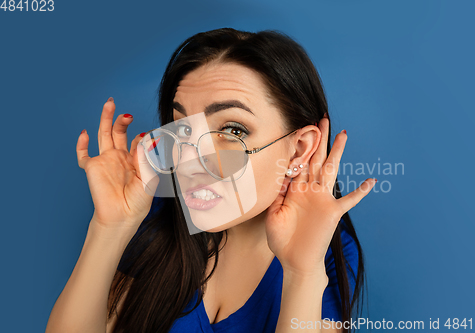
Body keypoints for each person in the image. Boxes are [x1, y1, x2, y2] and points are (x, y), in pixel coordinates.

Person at [46, 28, 376, 333]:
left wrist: (302, 275)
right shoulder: (158, 216)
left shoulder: (324, 250)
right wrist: (110, 227)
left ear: (299, 149)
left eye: (233, 130)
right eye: (183, 128)